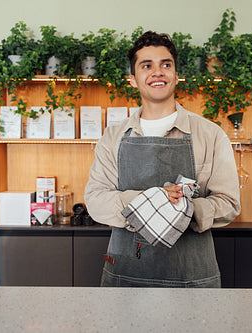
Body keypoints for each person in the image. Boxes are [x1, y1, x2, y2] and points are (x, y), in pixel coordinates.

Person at [84, 31, 240, 288]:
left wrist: (183, 209)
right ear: (133, 80)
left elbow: (229, 203)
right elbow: (95, 200)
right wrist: (152, 200)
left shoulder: (210, 134)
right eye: (147, 66)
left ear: (176, 75)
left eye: (165, 65)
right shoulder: (113, 137)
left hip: (193, 278)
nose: (157, 72)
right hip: (126, 276)